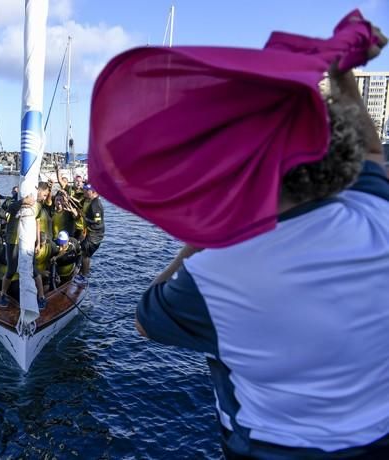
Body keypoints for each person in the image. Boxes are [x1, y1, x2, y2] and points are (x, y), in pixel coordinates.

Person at [133, 16, 389, 458]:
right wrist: (341, 72)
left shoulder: (217, 272)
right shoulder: (376, 216)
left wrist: (203, 238)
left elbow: (146, 319)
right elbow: (371, 152)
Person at [77, 183, 104, 281]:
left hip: (95, 235)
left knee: (85, 254)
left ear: (93, 192)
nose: (84, 192)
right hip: (90, 233)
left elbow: (97, 221)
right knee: (84, 253)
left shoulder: (95, 204)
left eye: (86, 191)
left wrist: (85, 218)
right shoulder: (91, 201)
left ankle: (84, 276)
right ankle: (83, 272)